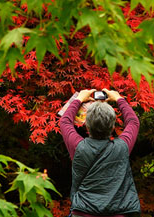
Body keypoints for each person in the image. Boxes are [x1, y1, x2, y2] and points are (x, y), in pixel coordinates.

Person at [58, 88, 141, 217]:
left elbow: (64, 122)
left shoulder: (79, 147)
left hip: (83, 212)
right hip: (119, 212)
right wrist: (119, 99)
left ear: (87, 125)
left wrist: (79, 99)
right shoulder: (122, 147)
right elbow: (133, 122)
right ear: (113, 126)